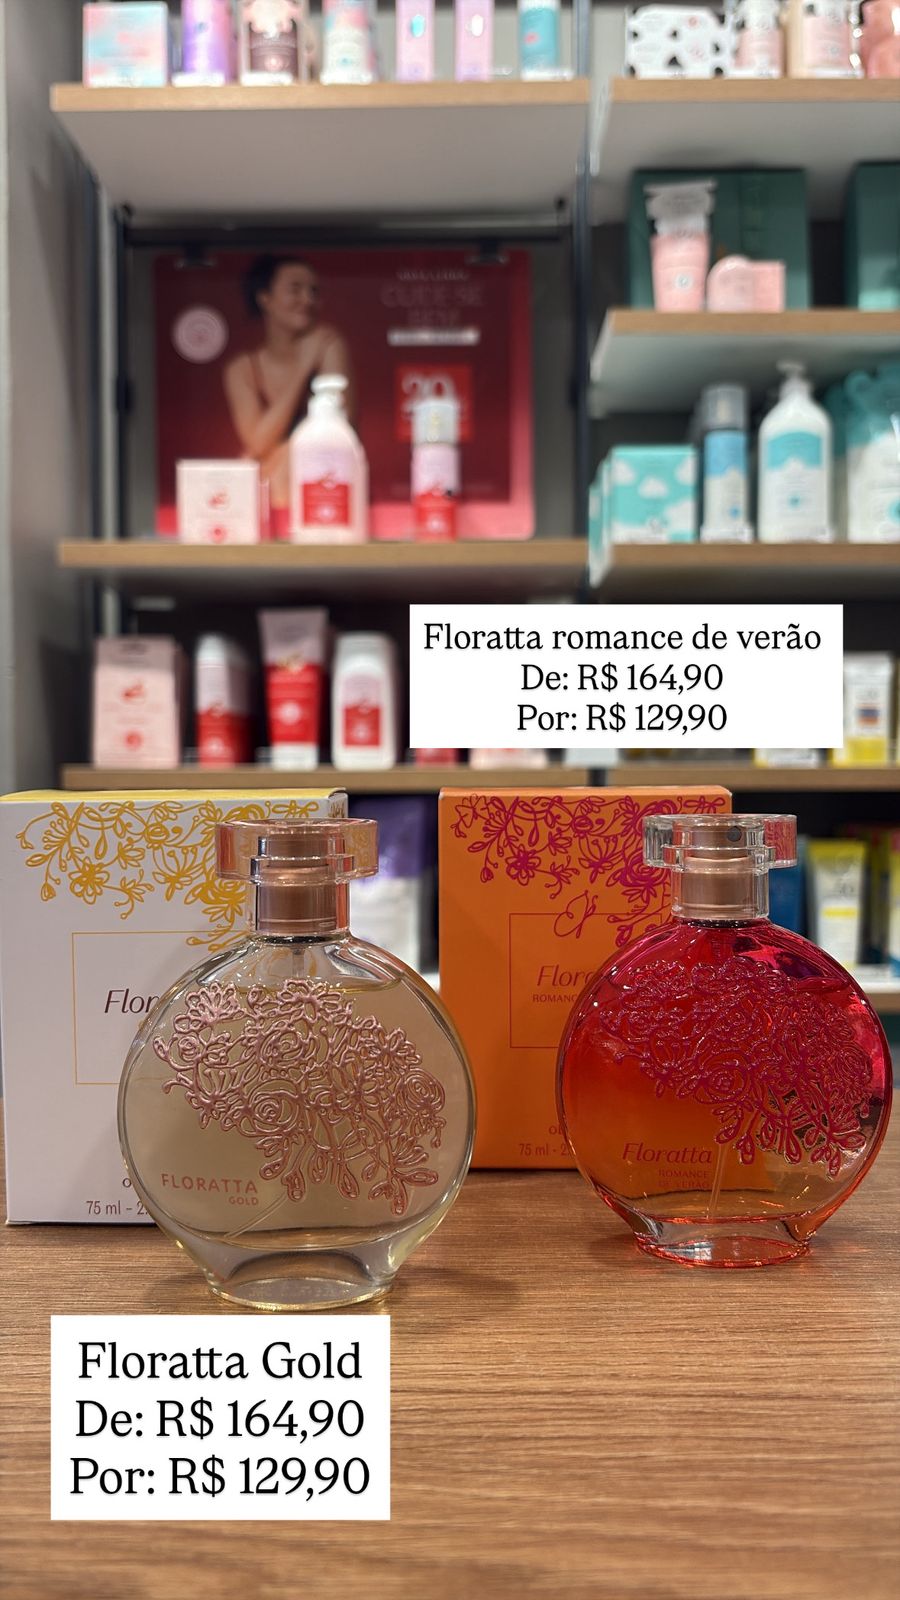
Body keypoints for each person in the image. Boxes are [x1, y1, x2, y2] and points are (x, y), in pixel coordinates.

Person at [224, 255, 354, 515]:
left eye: (314, 292)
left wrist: (278, 455)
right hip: (271, 493)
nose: (307, 300)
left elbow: (338, 430)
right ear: (265, 298)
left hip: (320, 484)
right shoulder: (242, 369)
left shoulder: (329, 345)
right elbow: (257, 443)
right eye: (295, 290)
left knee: (287, 462)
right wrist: (303, 368)